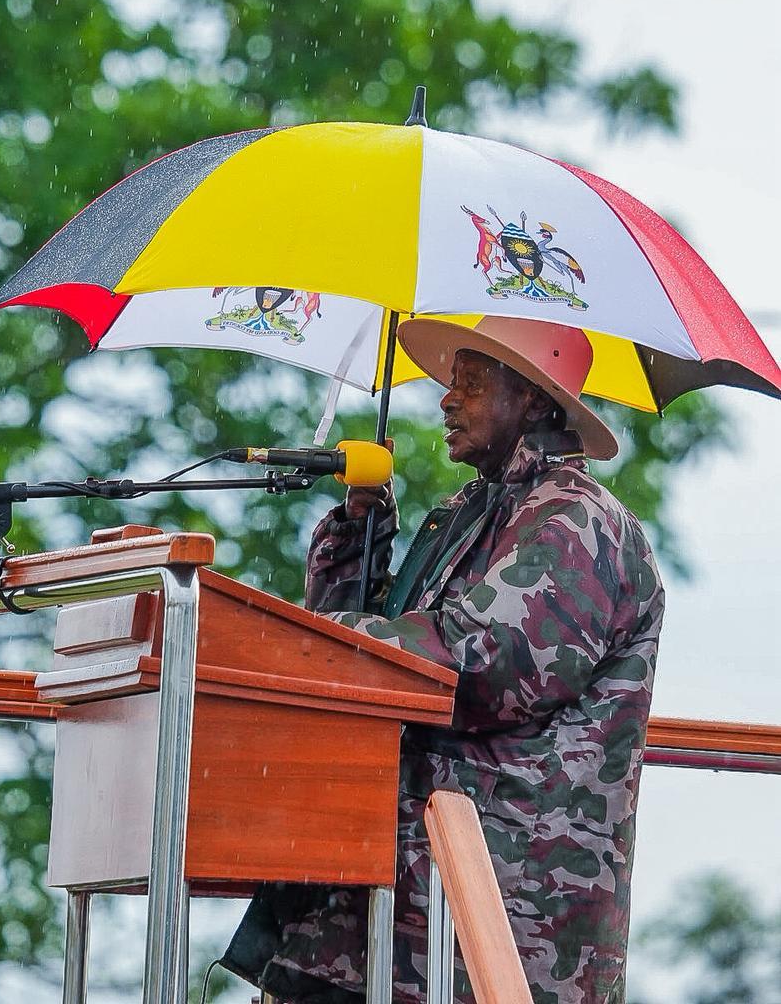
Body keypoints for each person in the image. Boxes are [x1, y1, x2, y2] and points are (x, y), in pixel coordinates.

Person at [223, 315, 664, 1004]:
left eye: (473, 383)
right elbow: (366, 668)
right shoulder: (470, 512)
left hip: (499, 913)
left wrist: (320, 637)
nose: (446, 399)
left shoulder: (576, 521)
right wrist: (359, 535)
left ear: (534, 400)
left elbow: (479, 666)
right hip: (391, 908)